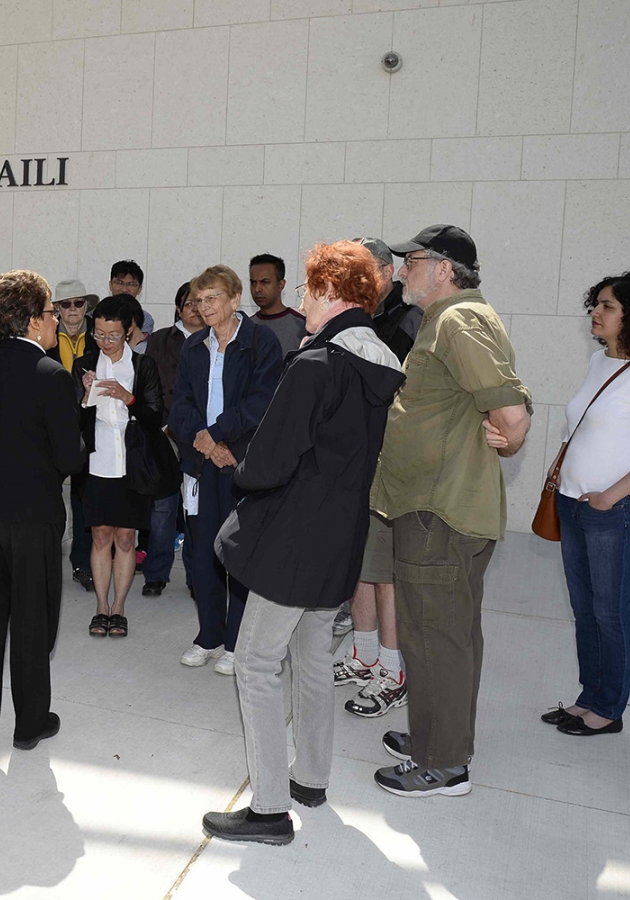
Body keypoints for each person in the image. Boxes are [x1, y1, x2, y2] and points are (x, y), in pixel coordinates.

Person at [203, 241, 404, 845]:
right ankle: (310, 778)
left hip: (294, 539)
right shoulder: (383, 363)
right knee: (313, 657)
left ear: (331, 293)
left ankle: (267, 809)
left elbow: (267, 461)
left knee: (258, 664)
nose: (301, 302)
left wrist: (241, 471)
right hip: (342, 536)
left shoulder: (316, 365)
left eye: (307, 290)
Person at [370, 225, 532, 797]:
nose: (402, 270)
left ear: (443, 268)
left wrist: (509, 434)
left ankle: (445, 765)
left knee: (436, 635)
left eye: (411, 260)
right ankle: (435, 736)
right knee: (439, 632)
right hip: (430, 507)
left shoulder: (459, 321)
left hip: (440, 512)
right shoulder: (448, 321)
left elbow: (511, 413)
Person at [540, 271, 630, 737]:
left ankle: (609, 708)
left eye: (608, 307)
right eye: (595, 304)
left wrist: (609, 496)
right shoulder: (602, 362)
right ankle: (588, 698)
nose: (595, 313)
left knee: (611, 613)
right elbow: (581, 426)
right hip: (573, 506)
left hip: (612, 513)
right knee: (585, 611)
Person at [0, 270, 83, 762]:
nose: (55, 321)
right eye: (52, 313)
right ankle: (29, 724)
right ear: (33, 321)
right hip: (33, 519)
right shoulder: (53, 376)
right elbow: (69, 458)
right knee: (32, 624)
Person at [169, 265, 282, 676]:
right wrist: (201, 436)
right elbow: (178, 403)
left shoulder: (260, 342)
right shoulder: (195, 346)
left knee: (238, 553)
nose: (204, 306)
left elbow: (262, 401)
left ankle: (236, 643)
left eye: (213, 297)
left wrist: (218, 437)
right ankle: (209, 636)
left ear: (236, 299)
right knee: (202, 554)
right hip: (201, 462)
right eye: (199, 300)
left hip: (238, 461)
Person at [332, 237, 425, 718]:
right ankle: (364, 653)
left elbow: (398, 400)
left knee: (386, 570)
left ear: (384, 273)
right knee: (363, 563)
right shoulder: (366, 319)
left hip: (390, 465)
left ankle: (394, 669)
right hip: (362, 462)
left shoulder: (406, 321)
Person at [73, 295, 165, 639]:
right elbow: (73, 419)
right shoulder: (84, 364)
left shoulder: (143, 367)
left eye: (113, 335)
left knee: (126, 538)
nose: (105, 342)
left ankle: (119, 608)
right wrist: (84, 396)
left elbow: (156, 417)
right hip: (96, 463)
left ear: (128, 332)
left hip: (132, 464)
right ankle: (101, 607)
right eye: (99, 334)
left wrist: (130, 398)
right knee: (100, 535)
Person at [141, 282, 205, 596]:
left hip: (202, 436)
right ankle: (156, 573)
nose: (195, 308)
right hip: (164, 433)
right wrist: (165, 424)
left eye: (201, 302)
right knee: (163, 508)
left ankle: (196, 576)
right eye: (189, 302)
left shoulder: (215, 339)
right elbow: (149, 382)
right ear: (178, 307)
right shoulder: (162, 340)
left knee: (196, 509)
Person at [49, 279, 99, 591]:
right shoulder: (43, 333)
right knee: (48, 497)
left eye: (78, 303)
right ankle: (45, 560)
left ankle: (81, 563)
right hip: (50, 424)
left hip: (88, 424)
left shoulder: (99, 334)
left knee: (83, 499)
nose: (72, 310)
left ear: (86, 306)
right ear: (56, 308)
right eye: (65, 304)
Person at [248, 253, 307, 357]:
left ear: (281, 285)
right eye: (253, 282)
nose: (257, 289)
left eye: (265, 282)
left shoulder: (302, 327)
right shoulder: (246, 327)